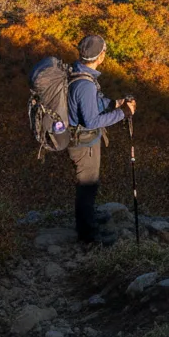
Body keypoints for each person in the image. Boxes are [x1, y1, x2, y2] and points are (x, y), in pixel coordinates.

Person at [67, 34, 137, 245]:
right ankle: (88, 236)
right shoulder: (86, 84)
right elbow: (91, 121)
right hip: (84, 143)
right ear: (101, 56)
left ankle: (88, 221)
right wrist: (123, 113)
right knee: (87, 186)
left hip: (81, 140)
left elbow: (91, 104)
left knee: (88, 186)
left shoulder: (78, 72)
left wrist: (114, 103)